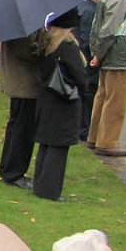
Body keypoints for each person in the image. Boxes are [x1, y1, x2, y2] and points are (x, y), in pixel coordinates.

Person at [34, 11, 91, 202]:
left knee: (46, 145)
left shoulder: (46, 43)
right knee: (58, 148)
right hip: (64, 101)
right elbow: (80, 75)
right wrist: (84, 88)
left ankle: (41, 185)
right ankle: (50, 190)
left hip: (47, 98)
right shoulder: (67, 47)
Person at [86, 0, 126, 157]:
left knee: (103, 95)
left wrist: (97, 52)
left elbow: (98, 26)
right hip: (118, 55)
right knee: (115, 101)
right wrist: (99, 54)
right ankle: (108, 141)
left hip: (109, 53)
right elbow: (110, 29)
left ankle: (95, 136)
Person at [0, 27, 47, 190]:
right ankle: (14, 172)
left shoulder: (15, 23)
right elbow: (25, 50)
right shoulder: (21, 27)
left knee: (17, 128)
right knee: (22, 130)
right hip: (24, 84)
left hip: (20, 82)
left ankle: (9, 168)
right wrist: (45, 47)